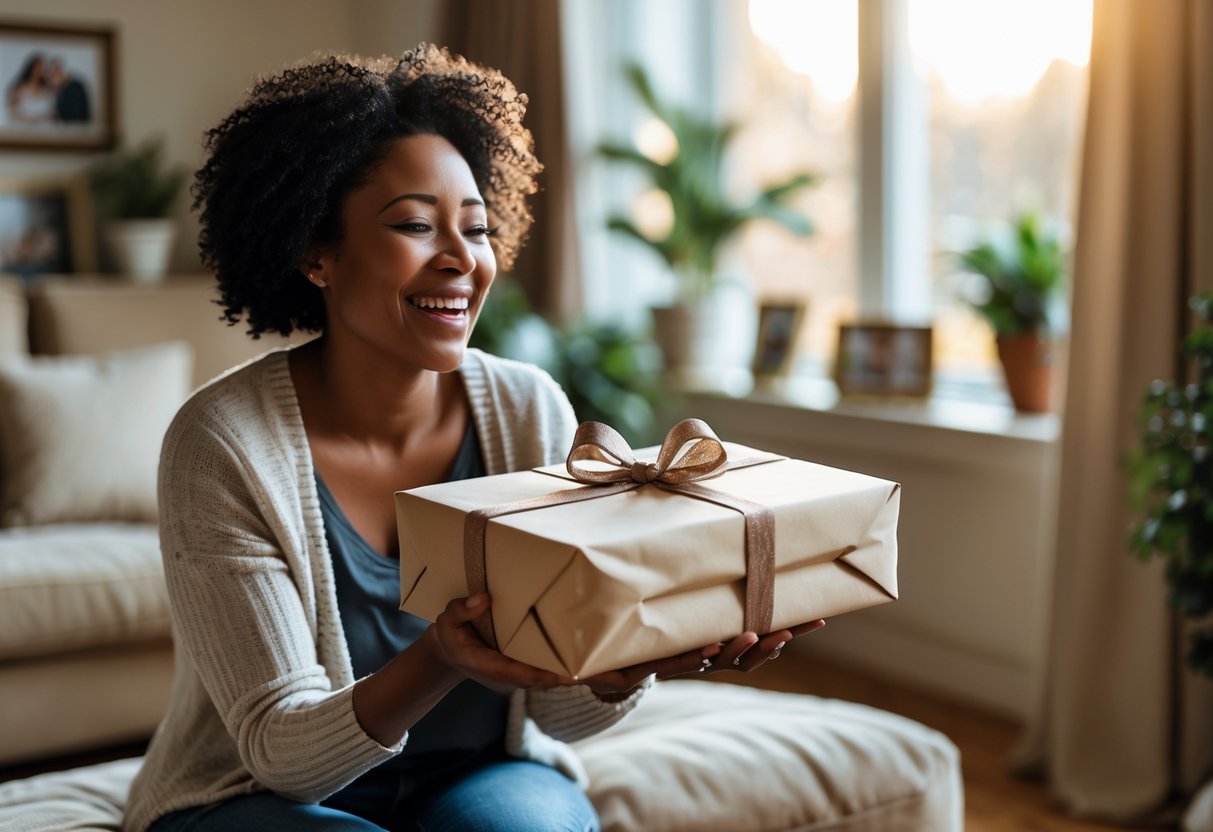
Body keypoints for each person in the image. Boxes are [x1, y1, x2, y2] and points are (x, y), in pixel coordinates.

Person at [124, 44, 823, 832]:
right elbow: (283, 758)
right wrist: (440, 657)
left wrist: (623, 669)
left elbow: (560, 716)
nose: (462, 260)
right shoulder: (222, 444)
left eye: (478, 229)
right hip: (256, 799)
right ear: (316, 253)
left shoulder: (528, 409)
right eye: (416, 226)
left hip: (481, 773)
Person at [5, 53, 54, 124]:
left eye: (42, 68)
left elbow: (52, 114)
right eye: (37, 68)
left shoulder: (48, 90)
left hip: (44, 130)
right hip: (23, 130)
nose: (39, 71)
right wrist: (28, 119)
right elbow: (11, 112)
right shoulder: (18, 89)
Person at [46, 58, 91, 123]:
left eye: (52, 75)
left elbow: (76, 115)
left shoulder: (74, 87)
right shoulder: (62, 90)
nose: (51, 81)